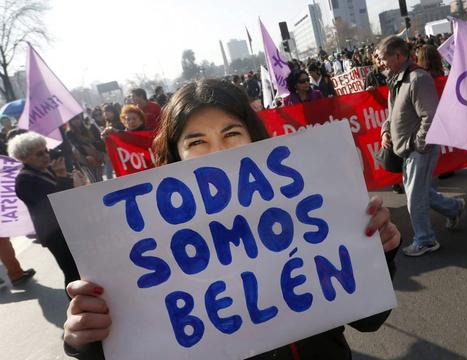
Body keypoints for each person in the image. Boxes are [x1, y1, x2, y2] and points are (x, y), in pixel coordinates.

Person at [62, 79, 401, 359]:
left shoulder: (311, 207)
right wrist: (88, 340)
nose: (220, 152)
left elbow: (370, 320)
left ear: (253, 137)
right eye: (197, 141)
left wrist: (378, 253)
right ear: (175, 155)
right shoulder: (145, 249)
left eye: (232, 134)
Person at [378, 36, 465, 257]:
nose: (380, 63)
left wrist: (418, 145)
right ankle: (454, 208)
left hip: (418, 150)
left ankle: (425, 240)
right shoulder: (396, 79)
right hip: (408, 150)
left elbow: (430, 116)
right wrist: (386, 131)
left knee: (415, 197)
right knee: (420, 192)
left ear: (398, 56)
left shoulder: (418, 78)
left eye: (383, 58)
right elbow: (391, 114)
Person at [8, 132, 87, 288]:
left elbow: (66, 196)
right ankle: (77, 307)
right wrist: (63, 177)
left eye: (46, 151)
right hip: (55, 235)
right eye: (39, 154)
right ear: (24, 157)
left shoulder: (47, 169)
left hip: (68, 227)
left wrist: (76, 182)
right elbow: (54, 203)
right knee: (72, 273)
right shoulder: (24, 180)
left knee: (84, 270)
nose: (46, 156)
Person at [66, 115, 105, 183]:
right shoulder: (69, 133)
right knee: (93, 180)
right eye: (73, 120)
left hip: (95, 156)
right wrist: (86, 155)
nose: (76, 121)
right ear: (70, 122)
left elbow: (94, 141)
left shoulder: (87, 129)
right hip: (83, 158)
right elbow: (75, 145)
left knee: (99, 178)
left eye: (77, 119)